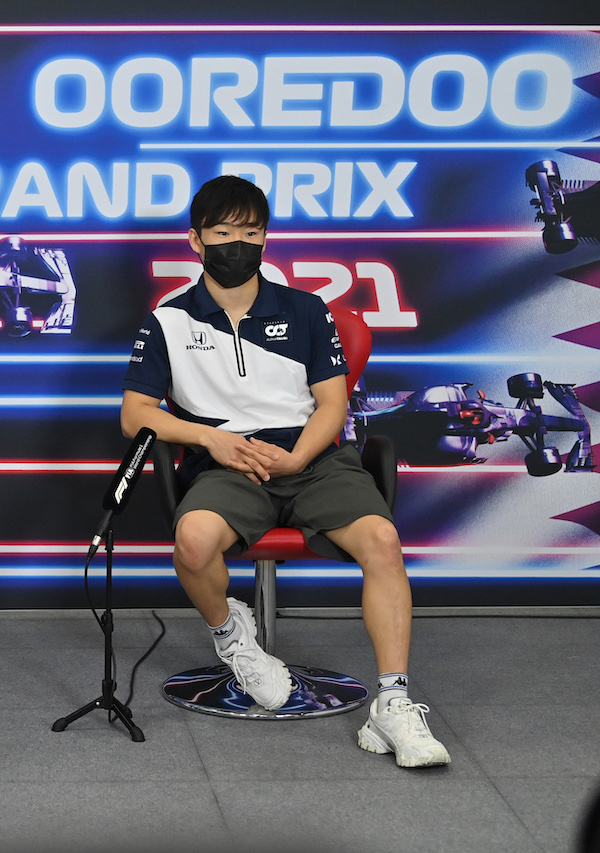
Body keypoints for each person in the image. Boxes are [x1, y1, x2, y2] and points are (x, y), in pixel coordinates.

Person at [120, 175, 450, 768]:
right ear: (195, 240)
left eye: (250, 232)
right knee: (192, 541)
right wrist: (211, 439)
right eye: (223, 233)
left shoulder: (305, 308)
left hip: (314, 460)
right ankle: (234, 639)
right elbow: (135, 415)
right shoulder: (168, 320)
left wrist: (299, 456)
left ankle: (393, 704)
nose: (237, 245)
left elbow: (333, 404)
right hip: (230, 464)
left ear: (266, 237)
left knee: (382, 540)